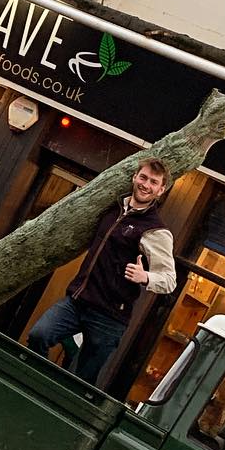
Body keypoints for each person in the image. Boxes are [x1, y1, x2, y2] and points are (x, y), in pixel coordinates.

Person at [27, 158, 178, 385]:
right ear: (135, 177)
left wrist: (145, 276)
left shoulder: (155, 230)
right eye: (143, 177)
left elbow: (169, 280)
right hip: (77, 302)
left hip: (109, 318)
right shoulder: (112, 208)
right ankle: (40, 385)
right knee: (39, 335)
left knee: (80, 381)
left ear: (160, 190)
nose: (146, 185)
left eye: (153, 182)